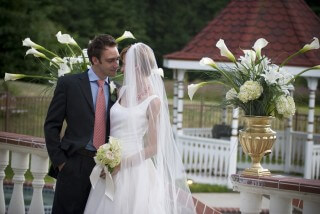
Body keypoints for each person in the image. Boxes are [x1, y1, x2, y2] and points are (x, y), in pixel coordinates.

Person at [84, 43, 195, 214]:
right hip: (108, 162)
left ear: (135, 66)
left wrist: (121, 164)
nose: (120, 69)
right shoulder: (121, 91)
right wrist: (107, 159)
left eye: (124, 64)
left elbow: (153, 147)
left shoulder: (153, 102)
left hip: (133, 169)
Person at [44, 34, 120, 213]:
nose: (116, 64)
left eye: (117, 59)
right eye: (110, 60)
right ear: (95, 60)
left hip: (104, 169)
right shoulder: (69, 84)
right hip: (74, 163)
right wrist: (61, 163)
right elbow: (51, 125)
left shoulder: (119, 90)